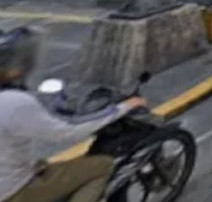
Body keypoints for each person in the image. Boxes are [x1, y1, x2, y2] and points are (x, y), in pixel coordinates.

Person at [0, 27, 147, 202]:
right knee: (103, 167)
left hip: (12, 174)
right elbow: (68, 131)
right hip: (11, 191)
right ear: (13, 69)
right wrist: (122, 108)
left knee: (44, 166)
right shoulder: (14, 102)